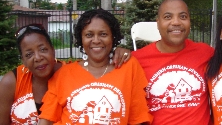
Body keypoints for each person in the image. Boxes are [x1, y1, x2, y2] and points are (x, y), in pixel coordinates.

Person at [36, 9, 151, 124]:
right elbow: (46, 119)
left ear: (113, 37)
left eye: (103, 34)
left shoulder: (128, 67)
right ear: (81, 38)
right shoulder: (64, 74)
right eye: (89, 35)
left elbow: (139, 118)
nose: (96, 40)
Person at [0, 23, 131, 124]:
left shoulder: (71, 73)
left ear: (53, 50)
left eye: (43, 49)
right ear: (23, 60)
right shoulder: (12, 82)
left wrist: (119, 51)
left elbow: (99, 66)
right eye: (29, 54)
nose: (38, 57)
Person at [132, 0, 214, 124]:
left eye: (183, 16)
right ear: (158, 23)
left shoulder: (206, 53)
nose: (176, 22)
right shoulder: (136, 60)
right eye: (168, 17)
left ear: (189, 21)